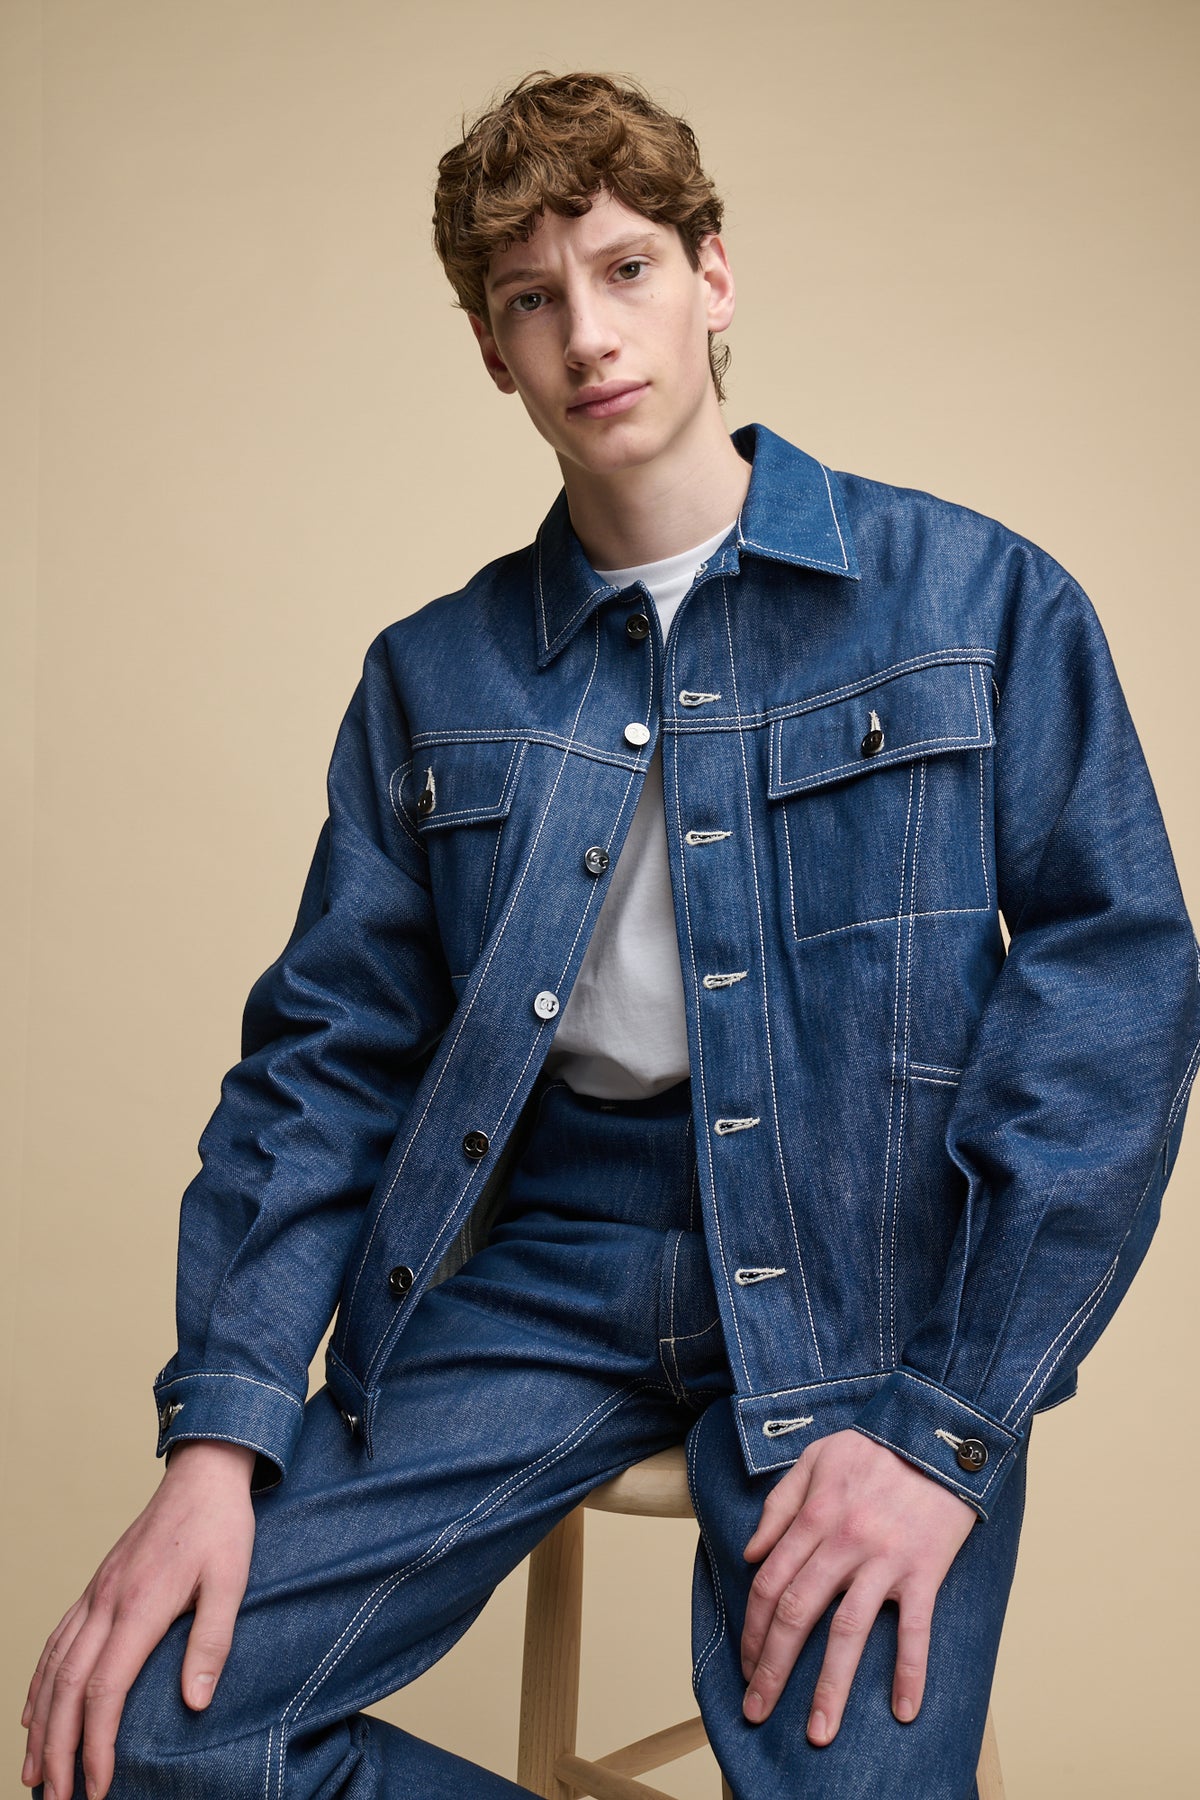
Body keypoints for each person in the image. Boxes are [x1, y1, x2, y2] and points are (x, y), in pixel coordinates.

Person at [21, 68, 1200, 1800]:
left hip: (863, 1276)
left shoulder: (979, 600)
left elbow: (1116, 994)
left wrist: (948, 1434)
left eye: (628, 267)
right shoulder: (437, 678)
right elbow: (326, 1059)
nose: (589, 331)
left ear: (715, 275)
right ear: (490, 348)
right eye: (530, 297)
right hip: (550, 1264)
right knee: (139, 1736)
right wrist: (221, 1428)